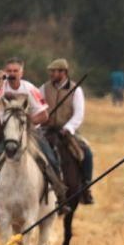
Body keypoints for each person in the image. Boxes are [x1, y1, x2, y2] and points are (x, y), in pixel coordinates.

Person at [0, 57, 67, 220]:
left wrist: (25, 123)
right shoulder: (1, 89)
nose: (12, 74)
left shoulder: (30, 89)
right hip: (8, 135)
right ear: (5, 72)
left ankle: (60, 200)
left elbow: (44, 115)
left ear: (21, 72)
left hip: (31, 133)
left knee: (51, 160)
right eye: (9, 71)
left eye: (15, 71)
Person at [40, 58, 95, 204]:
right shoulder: (43, 88)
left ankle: (86, 186)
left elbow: (79, 114)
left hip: (68, 131)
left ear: (63, 72)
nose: (51, 74)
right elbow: (37, 108)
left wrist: (68, 128)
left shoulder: (76, 90)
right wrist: (40, 122)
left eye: (54, 71)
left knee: (87, 152)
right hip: (47, 130)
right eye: (50, 71)